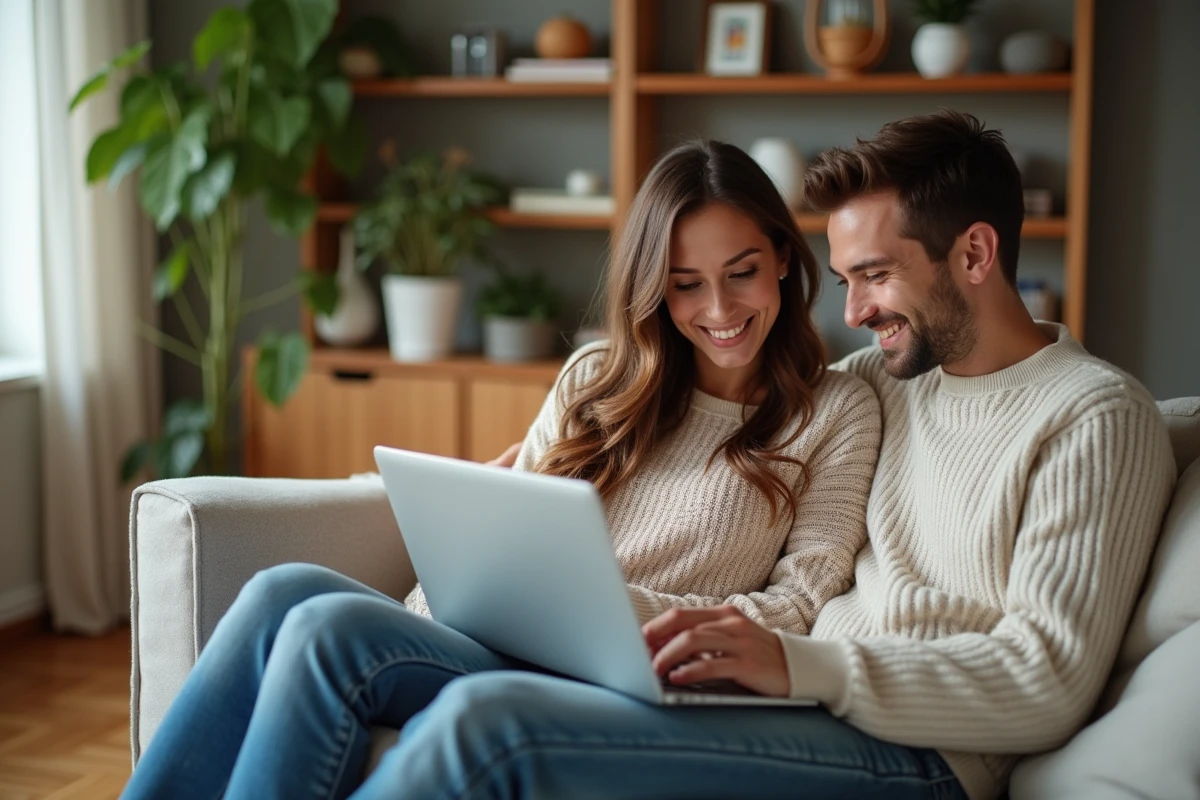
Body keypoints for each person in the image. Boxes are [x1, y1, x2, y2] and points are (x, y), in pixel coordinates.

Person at [352, 110, 1177, 800]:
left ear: (973, 255)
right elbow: (751, 396)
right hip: (796, 704)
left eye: (876, 276)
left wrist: (803, 664)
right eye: (844, 277)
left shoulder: (1093, 417)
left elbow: (1046, 680)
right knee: (322, 617)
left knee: (484, 726)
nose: (851, 310)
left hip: (922, 753)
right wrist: (514, 506)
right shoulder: (886, 379)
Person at [120, 140, 882, 799]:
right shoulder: (596, 379)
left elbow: (801, 605)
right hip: (511, 640)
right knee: (286, 593)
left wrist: (611, 606)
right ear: (655, 286)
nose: (718, 307)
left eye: (742, 271)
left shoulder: (835, 410)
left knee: (323, 625)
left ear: (784, 256)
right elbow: (506, 541)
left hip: (630, 676)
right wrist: (437, 599)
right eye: (685, 283)